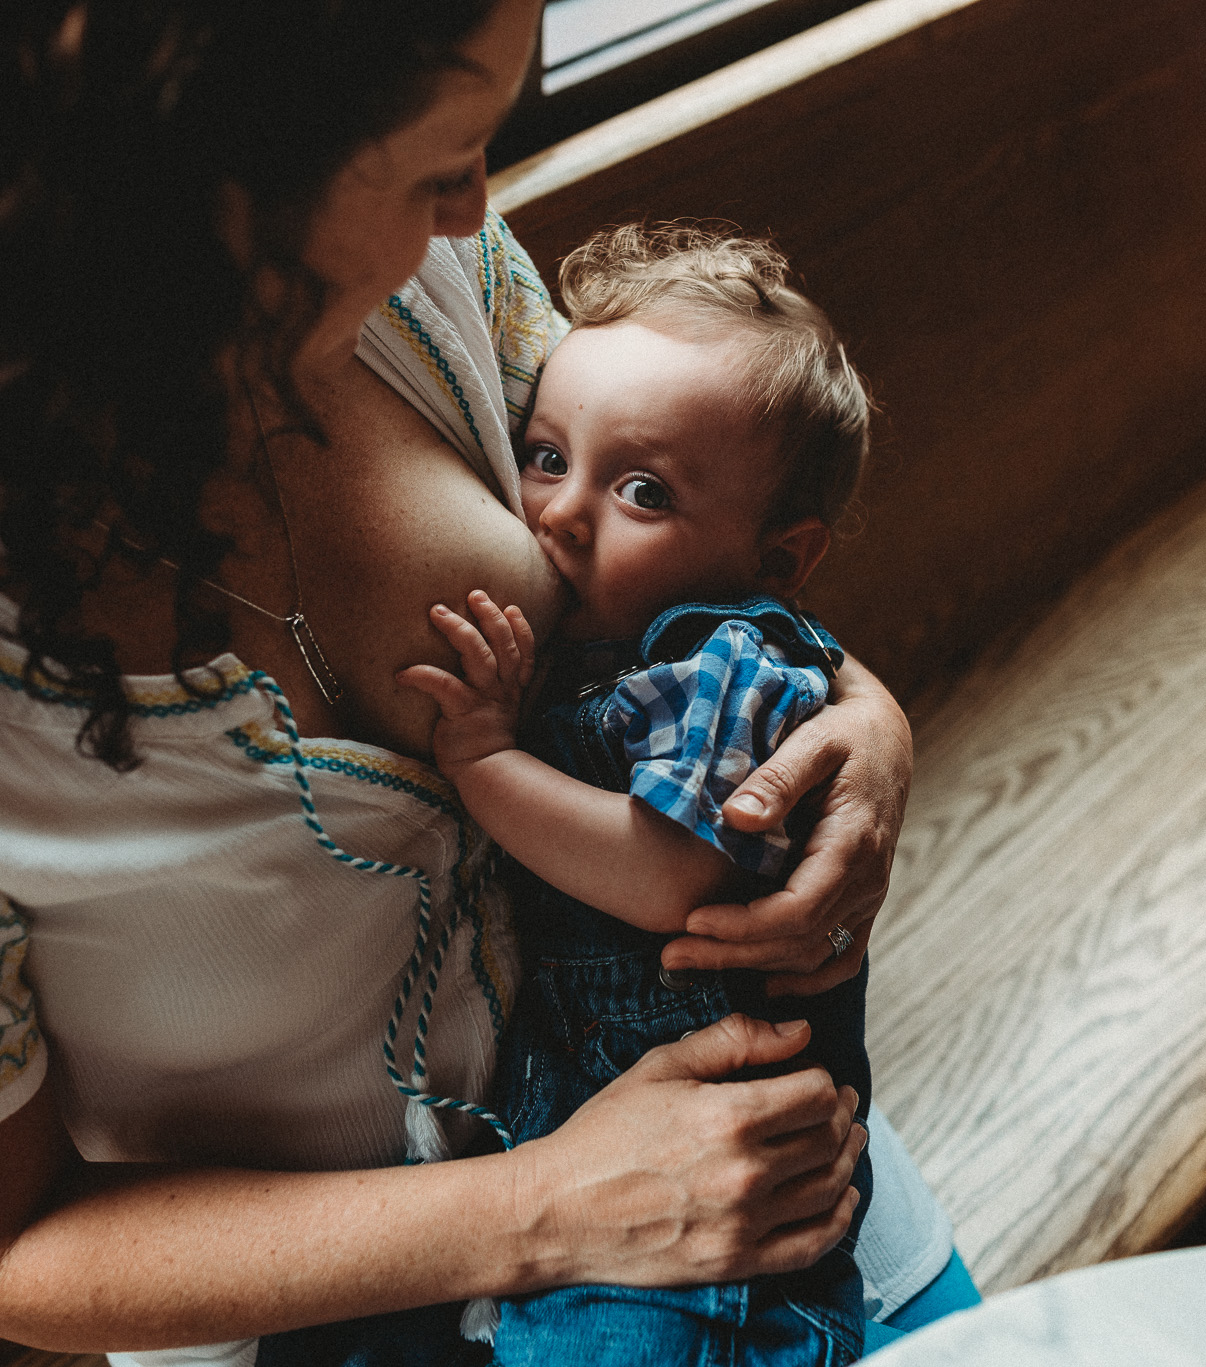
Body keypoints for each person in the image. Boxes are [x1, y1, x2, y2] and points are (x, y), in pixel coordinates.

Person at [0, 1, 964, 1363]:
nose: (472, 215)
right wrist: (552, 1204)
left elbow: (675, 551)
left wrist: (864, 724)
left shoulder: (397, 290)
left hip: (782, 1197)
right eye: (437, 164)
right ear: (175, 192)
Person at [400, 225, 880, 1365]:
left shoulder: (725, 661)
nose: (559, 511)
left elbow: (667, 872)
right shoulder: (611, 642)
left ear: (776, 561)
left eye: (642, 490)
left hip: (725, 1150)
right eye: (546, 454)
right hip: (592, 1111)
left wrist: (482, 762)